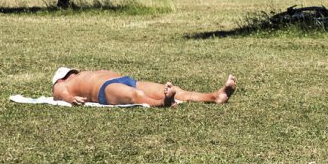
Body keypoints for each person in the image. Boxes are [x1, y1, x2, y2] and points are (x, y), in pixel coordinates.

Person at [51, 67, 237, 106]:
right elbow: (60, 93)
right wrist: (70, 99)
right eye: (70, 72)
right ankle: (163, 104)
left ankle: (214, 96)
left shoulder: (82, 73)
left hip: (126, 79)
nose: (74, 73)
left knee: (176, 89)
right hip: (103, 89)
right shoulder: (62, 83)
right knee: (136, 96)